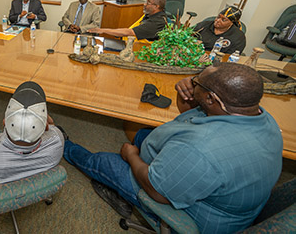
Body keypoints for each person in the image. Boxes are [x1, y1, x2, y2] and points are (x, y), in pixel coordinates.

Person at [63, 63, 283, 233]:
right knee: (141, 133)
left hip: (186, 208)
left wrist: (131, 157)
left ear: (210, 98)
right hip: (193, 170)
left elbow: (157, 192)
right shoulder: (259, 116)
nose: (191, 82)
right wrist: (187, 91)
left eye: (196, 82)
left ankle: (64, 144)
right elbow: (187, 117)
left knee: (103, 161)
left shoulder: (201, 149)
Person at [90, 0, 167, 42]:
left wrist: (103, 30)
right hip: (127, 41)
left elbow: (130, 32)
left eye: (148, 3)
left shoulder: (157, 22)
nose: (144, 4)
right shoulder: (149, 14)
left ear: (156, 7)